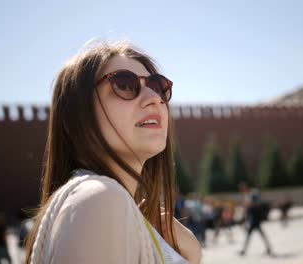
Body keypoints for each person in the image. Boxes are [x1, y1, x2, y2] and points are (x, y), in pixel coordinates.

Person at [24, 41, 201, 264]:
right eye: (124, 84)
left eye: (157, 86)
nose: (154, 98)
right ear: (78, 116)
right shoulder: (100, 198)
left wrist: (192, 254)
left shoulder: (110, 204)